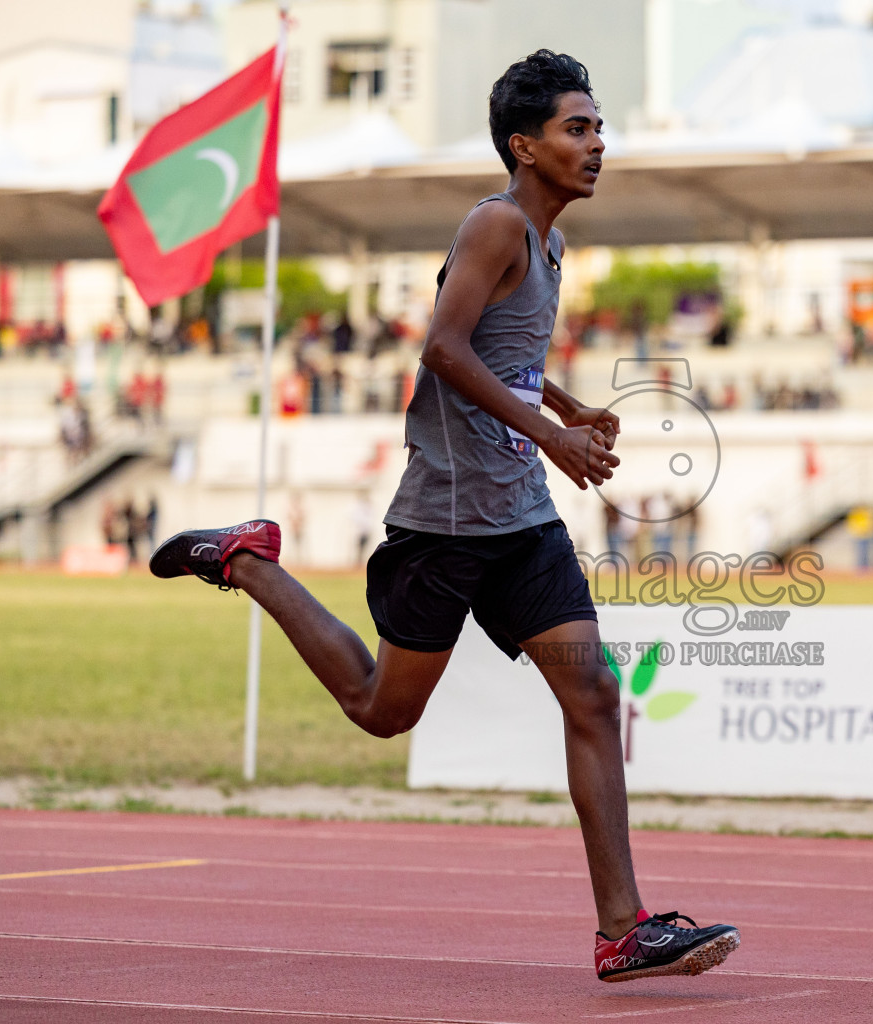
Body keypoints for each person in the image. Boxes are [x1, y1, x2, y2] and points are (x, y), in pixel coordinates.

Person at [148, 51, 737, 985]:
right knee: (382, 709)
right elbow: (443, 348)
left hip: (522, 521)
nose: (597, 145)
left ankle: (622, 931)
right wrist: (551, 435)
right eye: (577, 129)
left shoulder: (546, 240)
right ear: (525, 145)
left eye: (596, 128)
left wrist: (567, 405)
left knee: (593, 695)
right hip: (450, 519)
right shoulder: (498, 224)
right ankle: (249, 562)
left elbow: (498, 347)